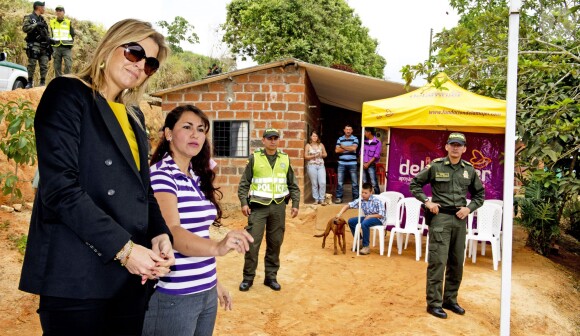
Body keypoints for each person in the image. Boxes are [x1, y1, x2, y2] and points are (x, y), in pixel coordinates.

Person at [19, 19, 175, 335]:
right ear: (109, 46)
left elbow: (142, 189)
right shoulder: (68, 94)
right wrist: (125, 250)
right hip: (78, 276)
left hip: (129, 281)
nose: (140, 65)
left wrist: (159, 234)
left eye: (150, 63)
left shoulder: (134, 114)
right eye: (134, 52)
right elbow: (60, 188)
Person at [143, 105, 254, 335]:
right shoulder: (162, 175)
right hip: (174, 296)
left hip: (204, 292)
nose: (196, 134)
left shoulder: (193, 176)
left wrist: (214, 283)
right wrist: (218, 246)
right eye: (187, 127)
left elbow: (197, 234)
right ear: (168, 133)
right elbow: (171, 232)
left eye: (201, 129)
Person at [409, 132, 485, 319]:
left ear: (464, 148)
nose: (455, 148)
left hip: (460, 220)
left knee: (457, 263)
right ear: (447, 147)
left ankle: (450, 300)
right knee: (438, 262)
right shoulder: (435, 166)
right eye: (452, 144)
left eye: (459, 145)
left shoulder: (469, 170)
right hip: (440, 219)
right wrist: (427, 202)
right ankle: (434, 303)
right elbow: (415, 184)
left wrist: (469, 209)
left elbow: (479, 195)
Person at [238, 128, 301, 292]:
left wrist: (295, 203)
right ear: (263, 140)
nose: (273, 141)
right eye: (269, 138)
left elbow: (293, 184)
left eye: (275, 138)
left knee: (275, 244)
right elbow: (244, 183)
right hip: (258, 208)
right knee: (252, 244)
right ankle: (248, 278)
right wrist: (244, 202)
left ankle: (271, 277)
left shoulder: (285, 159)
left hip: (278, 207)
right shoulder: (255, 158)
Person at [335, 182, 385, 255]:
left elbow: (381, 214)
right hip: (367, 218)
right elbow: (348, 205)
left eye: (365, 193)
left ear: (371, 192)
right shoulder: (361, 199)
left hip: (378, 219)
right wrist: (339, 213)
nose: (363, 194)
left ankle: (366, 246)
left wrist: (370, 216)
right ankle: (360, 241)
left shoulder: (377, 201)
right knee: (351, 221)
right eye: (362, 192)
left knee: (364, 223)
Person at [22, 1, 52, 88]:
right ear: (38, 7)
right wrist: (36, 24)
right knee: (32, 64)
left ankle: (42, 83)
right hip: (34, 44)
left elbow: (47, 33)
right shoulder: (29, 17)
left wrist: (50, 40)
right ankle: (29, 82)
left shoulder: (42, 19)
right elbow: (25, 28)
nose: (44, 9)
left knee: (44, 65)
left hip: (44, 46)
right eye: (43, 7)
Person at [334, 124, 359, 203]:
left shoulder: (355, 138)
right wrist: (349, 148)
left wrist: (343, 147)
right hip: (342, 163)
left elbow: (354, 148)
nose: (348, 131)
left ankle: (356, 199)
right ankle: (339, 198)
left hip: (353, 163)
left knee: (354, 182)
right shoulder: (340, 138)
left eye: (349, 129)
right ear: (344, 130)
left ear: (352, 131)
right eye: (346, 129)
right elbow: (337, 150)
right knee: (340, 182)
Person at [49, 5, 75, 77]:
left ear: (64, 12)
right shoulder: (52, 22)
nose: (58, 12)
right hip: (56, 47)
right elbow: (51, 34)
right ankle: (59, 81)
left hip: (66, 47)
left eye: (60, 11)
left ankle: (67, 79)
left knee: (68, 64)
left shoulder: (68, 22)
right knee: (57, 66)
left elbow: (72, 34)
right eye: (57, 11)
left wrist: (70, 43)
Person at [305, 130, 327, 205]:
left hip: (321, 165)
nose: (315, 137)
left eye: (316, 136)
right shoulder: (308, 145)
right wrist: (314, 156)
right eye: (313, 136)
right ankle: (316, 199)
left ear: (318, 137)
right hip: (312, 166)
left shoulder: (321, 145)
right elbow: (305, 156)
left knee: (322, 182)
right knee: (314, 183)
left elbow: (325, 154)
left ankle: (322, 199)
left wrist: (321, 155)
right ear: (311, 137)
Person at [362, 128, 381, 194]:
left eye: (365, 132)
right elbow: (360, 153)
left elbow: (376, 155)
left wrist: (368, 164)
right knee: (364, 182)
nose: (364, 133)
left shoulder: (377, 142)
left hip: (371, 164)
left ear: (369, 132)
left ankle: (378, 198)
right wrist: (363, 163)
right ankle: (366, 197)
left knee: (374, 183)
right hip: (363, 164)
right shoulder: (364, 142)